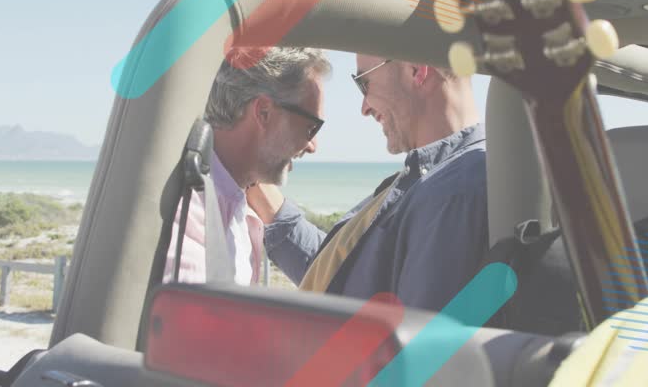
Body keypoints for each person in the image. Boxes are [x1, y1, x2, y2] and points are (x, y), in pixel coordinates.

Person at [248, 55, 487, 311]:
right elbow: (340, 277)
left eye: (364, 83)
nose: (364, 108)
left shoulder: (453, 193)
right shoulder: (434, 178)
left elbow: (417, 344)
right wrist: (252, 176)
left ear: (417, 68)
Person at [162, 46, 331, 285]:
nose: (313, 145)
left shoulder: (237, 204)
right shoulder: (189, 217)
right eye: (311, 127)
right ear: (263, 112)